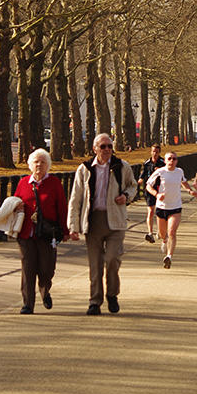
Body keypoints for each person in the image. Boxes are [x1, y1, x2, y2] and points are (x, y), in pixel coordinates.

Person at [68, 133, 137, 315]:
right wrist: (73, 227)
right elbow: (75, 199)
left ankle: (112, 294)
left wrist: (127, 196)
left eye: (109, 146)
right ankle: (95, 301)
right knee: (95, 264)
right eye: (103, 146)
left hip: (115, 220)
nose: (107, 150)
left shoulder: (121, 167)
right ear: (95, 149)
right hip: (93, 221)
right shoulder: (84, 169)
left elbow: (133, 186)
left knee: (112, 258)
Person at [12, 148, 68, 314]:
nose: (39, 165)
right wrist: (17, 206)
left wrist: (65, 231)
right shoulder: (23, 183)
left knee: (46, 268)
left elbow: (62, 208)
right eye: (36, 162)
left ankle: (45, 291)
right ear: (30, 165)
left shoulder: (55, 183)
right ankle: (28, 303)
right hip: (26, 233)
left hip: (47, 233)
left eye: (43, 162)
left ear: (47, 166)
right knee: (28, 268)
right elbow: (14, 203)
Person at [146, 152, 197, 269]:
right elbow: (148, 185)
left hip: (175, 207)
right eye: (169, 158)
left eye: (174, 159)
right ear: (165, 161)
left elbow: (183, 181)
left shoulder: (179, 172)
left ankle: (169, 256)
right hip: (162, 207)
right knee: (163, 234)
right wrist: (157, 194)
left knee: (172, 232)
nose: (172, 161)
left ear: (176, 161)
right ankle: (164, 241)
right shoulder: (160, 172)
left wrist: (190, 191)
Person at [137, 144, 165, 243]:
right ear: (151, 151)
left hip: (160, 189)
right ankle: (150, 233)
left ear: (159, 152)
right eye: (153, 151)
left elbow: (168, 172)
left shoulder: (163, 163)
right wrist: (140, 178)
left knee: (159, 212)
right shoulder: (147, 163)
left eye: (157, 152)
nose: (155, 153)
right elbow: (144, 172)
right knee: (150, 211)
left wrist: (160, 171)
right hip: (149, 190)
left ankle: (159, 231)